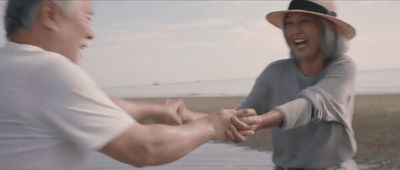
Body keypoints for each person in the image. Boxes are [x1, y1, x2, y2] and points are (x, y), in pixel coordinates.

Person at [0, 0, 260, 169]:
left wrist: (154, 111)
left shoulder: (12, 67)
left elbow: (96, 106)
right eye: (87, 17)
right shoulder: (48, 69)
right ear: (50, 15)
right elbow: (144, 148)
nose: (91, 32)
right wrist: (213, 124)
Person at [182, 0, 358, 169]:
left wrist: (259, 122)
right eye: (289, 23)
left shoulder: (343, 67)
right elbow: (239, 116)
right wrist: (193, 119)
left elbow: (311, 105)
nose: (295, 30)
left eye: (305, 22)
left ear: (327, 29)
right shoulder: (275, 72)